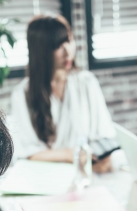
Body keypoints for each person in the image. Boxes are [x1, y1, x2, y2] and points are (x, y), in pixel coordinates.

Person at [7, 14, 115, 173]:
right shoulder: (22, 94)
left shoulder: (87, 83)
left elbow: (105, 138)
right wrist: (69, 154)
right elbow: (27, 153)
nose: (68, 52)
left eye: (69, 40)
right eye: (57, 46)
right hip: (45, 177)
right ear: (41, 50)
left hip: (87, 174)